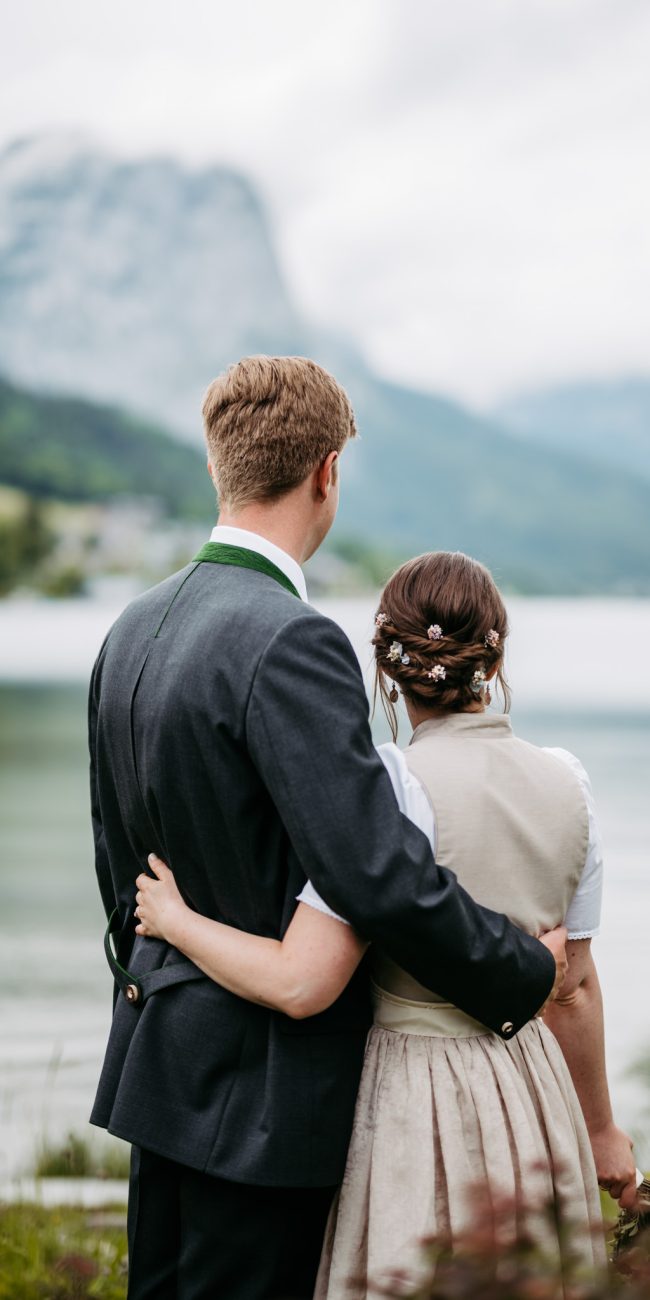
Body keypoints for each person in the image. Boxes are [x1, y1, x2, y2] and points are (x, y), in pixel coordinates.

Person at [89, 357, 565, 1300]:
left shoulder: (130, 630)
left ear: (221, 465)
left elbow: (122, 880)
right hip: (264, 1107)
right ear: (327, 472)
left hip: (158, 1072)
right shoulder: (288, 637)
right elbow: (376, 871)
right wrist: (521, 972)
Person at [134, 550, 639, 1295]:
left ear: (387, 672)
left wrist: (175, 920)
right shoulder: (570, 782)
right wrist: (600, 1128)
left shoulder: (390, 790)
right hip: (536, 1092)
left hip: (415, 1096)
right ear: (493, 659)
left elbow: (302, 981)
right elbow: (577, 987)